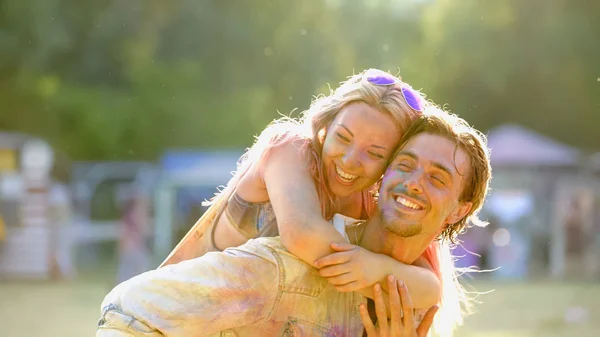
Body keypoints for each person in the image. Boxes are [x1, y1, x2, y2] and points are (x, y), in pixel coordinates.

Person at [96, 111, 492, 337]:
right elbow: (133, 310)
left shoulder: (414, 306)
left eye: (437, 178)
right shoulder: (291, 266)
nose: (413, 183)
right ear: (382, 177)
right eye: (403, 165)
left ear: (460, 209)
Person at [161, 69, 442, 308]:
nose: (349, 161)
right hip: (175, 316)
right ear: (326, 125)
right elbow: (303, 235)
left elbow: (430, 288)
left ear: (392, 162)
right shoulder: (289, 149)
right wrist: (383, 274)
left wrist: (379, 271)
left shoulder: (370, 201)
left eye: (375, 153)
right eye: (343, 138)